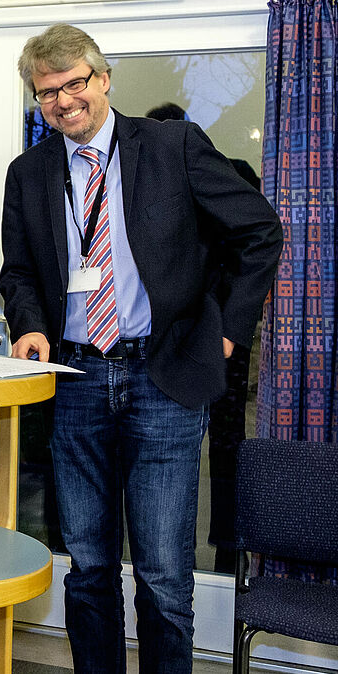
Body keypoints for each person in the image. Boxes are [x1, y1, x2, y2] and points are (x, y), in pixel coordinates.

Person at [0, 24, 282, 673]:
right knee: (89, 568)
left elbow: (259, 230)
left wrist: (229, 329)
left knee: (161, 577)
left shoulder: (171, 145)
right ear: (37, 100)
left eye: (75, 83)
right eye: (48, 92)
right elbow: (17, 273)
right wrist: (30, 323)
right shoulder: (29, 173)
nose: (65, 101)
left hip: (163, 375)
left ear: (103, 79)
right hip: (73, 380)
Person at [146, 102, 262, 575]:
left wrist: (232, 327)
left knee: (229, 449)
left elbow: (253, 242)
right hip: (167, 341)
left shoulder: (230, 172)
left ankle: (229, 555)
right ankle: (191, 553)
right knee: (170, 452)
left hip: (218, 336)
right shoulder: (142, 185)